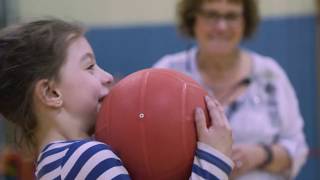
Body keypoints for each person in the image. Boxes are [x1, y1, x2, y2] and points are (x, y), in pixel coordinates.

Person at [0, 19, 234, 179]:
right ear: (51, 93)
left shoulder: (55, 162)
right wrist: (215, 159)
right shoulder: (85, 158)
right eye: (90, 66)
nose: (108, 76)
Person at [153, 0, 309, 179]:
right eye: (211, 15)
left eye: (232, 16)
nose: (221, 26)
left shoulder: (270, 75)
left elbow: (297, 148)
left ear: (245, 21)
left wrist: (260, 155)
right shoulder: (167, 74)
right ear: (192, 19)